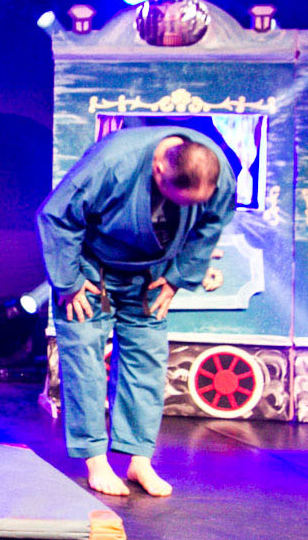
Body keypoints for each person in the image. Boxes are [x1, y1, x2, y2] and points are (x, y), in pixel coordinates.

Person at [37, 126, 233, 497]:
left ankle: (139, 461)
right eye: (178, 200)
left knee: (147, 361)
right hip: (93, 271)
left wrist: (177, 278)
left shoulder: (215, 171)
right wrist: (69, 282)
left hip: (153, 273)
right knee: (85, 359)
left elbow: (210, 226)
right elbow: (56, 216)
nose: (185, 210)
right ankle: (96, 461)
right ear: (158, 170)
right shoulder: (112, 163)